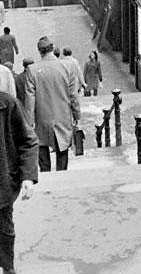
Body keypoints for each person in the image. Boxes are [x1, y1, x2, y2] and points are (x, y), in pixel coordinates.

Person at [25, 35, 81, 172]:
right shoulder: (67, 67)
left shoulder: (32, 70)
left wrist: (29, 123)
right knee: (62, 150)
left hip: (42, 119)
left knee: (42, 150)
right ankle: (61, 175)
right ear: (53, 48)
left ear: (40, 51)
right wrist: (76, 115)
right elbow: (73, 95)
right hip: (62, 116)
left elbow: (30, 100)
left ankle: (46, 175)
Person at [0, 89, 38, 274]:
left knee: (4, 231)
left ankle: (8, 268)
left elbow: (27, 140)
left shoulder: (7, 104)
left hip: (2, 187)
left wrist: (27, 176)